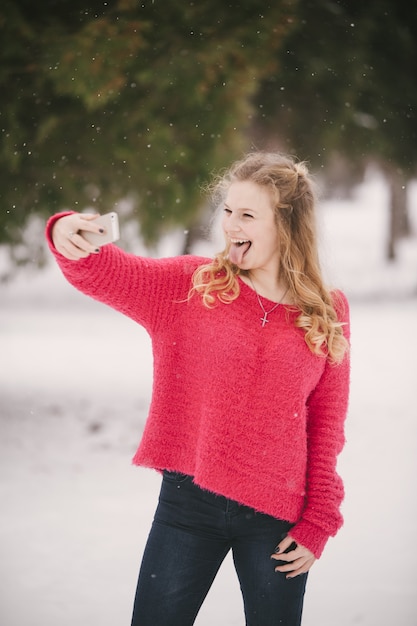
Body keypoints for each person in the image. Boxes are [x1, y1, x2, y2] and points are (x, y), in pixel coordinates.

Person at [46, 151, 350, 626]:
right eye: (228, 211)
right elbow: (103, 272)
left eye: (247, 215)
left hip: (277, 516)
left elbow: (327, 425)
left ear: (287, 225)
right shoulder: (193, 285)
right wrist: (65, 231)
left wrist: (319, 520)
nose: (230, 225)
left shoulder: (326, 312)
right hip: (188, 506)